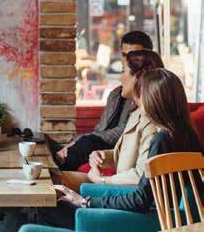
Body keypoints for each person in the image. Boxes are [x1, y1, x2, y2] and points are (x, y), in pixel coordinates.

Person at [0, 47, 164, 232]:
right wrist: (105, 156)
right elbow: (128, 157)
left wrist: (100, 183)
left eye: (123, 71)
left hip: (120, 195)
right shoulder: (136, 113)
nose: (119, 77)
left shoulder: (152, 125)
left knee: (51, 198)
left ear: (139, 77)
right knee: (52, 188)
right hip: (116, 188)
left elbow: (141, 177)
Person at [54, 68, 203, 213]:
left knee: (54, 209)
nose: (138, 98)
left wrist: (86, 201)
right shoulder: (188, 135)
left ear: (152, 100)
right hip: (177, 216)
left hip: (155, 220)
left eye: (142, 93)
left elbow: (141, 199)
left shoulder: (162, 139)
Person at [55, 30, 154, 171]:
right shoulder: (116, 94)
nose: (127, 61)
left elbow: (125, 132)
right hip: (99, 147)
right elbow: (100, 129)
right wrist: (75, 143)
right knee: (58, 147)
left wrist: (83, 141)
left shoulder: (149, 95)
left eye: (134, 56)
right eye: (124, 55)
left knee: (85, 143)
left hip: (122, 148)